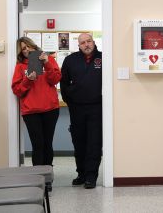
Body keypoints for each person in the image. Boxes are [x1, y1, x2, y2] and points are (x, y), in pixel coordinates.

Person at [60, 33, 102, 189]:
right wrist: (70, 100)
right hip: (76, 108)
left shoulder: (104, 58)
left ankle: (91, 177)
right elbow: (63, 83)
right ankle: (81, 174)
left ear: (94, 42)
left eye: (89, 41)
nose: (86, 44)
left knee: (94, 143)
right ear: (78, 45)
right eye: (83, 42)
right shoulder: (70, 60)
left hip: (97, 108)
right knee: (79, 142)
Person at [12, 37, 61, 167]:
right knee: (37, 145)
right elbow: (17, 90)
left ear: (34, 46)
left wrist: (47, 63)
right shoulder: (20, 66)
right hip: (31, 112)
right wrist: (28, 80)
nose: (27, 49)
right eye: (23, 48)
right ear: (21, 52)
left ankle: (48, 178)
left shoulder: (48, 59)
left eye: (28, 46)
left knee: (47, 144)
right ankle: (38, 176)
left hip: (50, 109)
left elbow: (55, 79)